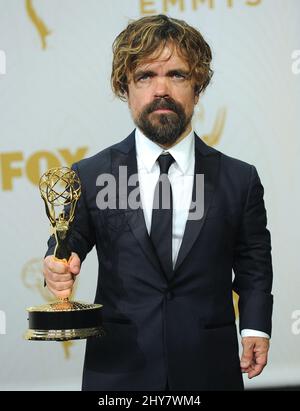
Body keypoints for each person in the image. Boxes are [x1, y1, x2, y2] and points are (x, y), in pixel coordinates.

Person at [43, 14, 273, 391]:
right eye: (145, 76)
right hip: (119, 371)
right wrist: (57, 265)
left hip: (209, 368)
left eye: (178, 75)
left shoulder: (239, 179)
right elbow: (66, 244)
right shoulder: (90, 174)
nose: (161, 89)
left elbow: (254, 265)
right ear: (125, 88)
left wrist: (255, 326)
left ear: (198, 87)